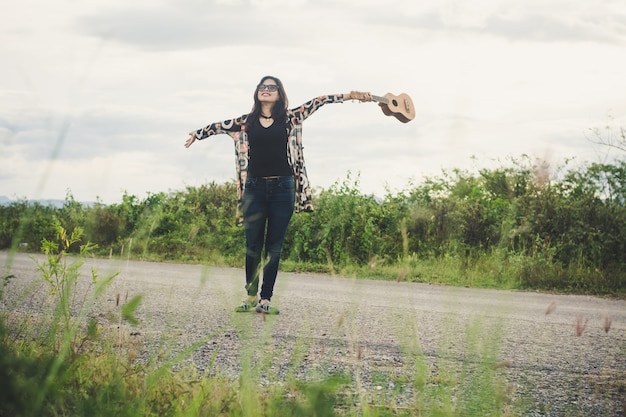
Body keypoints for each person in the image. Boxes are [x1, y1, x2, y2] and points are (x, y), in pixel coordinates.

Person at [185, 75, 372, 314]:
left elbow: (320, 101)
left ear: (280, 93)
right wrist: (197, 134)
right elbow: (218, 127)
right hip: (253, 188)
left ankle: (266, 299)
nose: (266, 90)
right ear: (257, 93)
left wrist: (352, 96)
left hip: (283, 188)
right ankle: (251, 295)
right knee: (253, 244)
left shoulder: (291, 117)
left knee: (274, 246)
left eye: (271, 87)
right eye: (262, 87)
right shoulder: (246, 122)